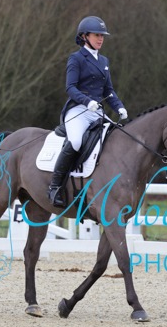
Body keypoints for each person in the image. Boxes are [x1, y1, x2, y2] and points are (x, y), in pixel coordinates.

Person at [48, 16, 128, 207]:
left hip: (96, 112)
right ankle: (55, 186)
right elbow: (70, 87)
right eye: (96, 35)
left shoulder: (104, 61)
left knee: (116, 138)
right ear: (84, 36)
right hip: (77, 110)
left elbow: (108, 90)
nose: (100, 39)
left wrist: (119, 106)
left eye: (102, 36)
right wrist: (87, 101)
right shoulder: (76, 58)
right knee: (76, 141)